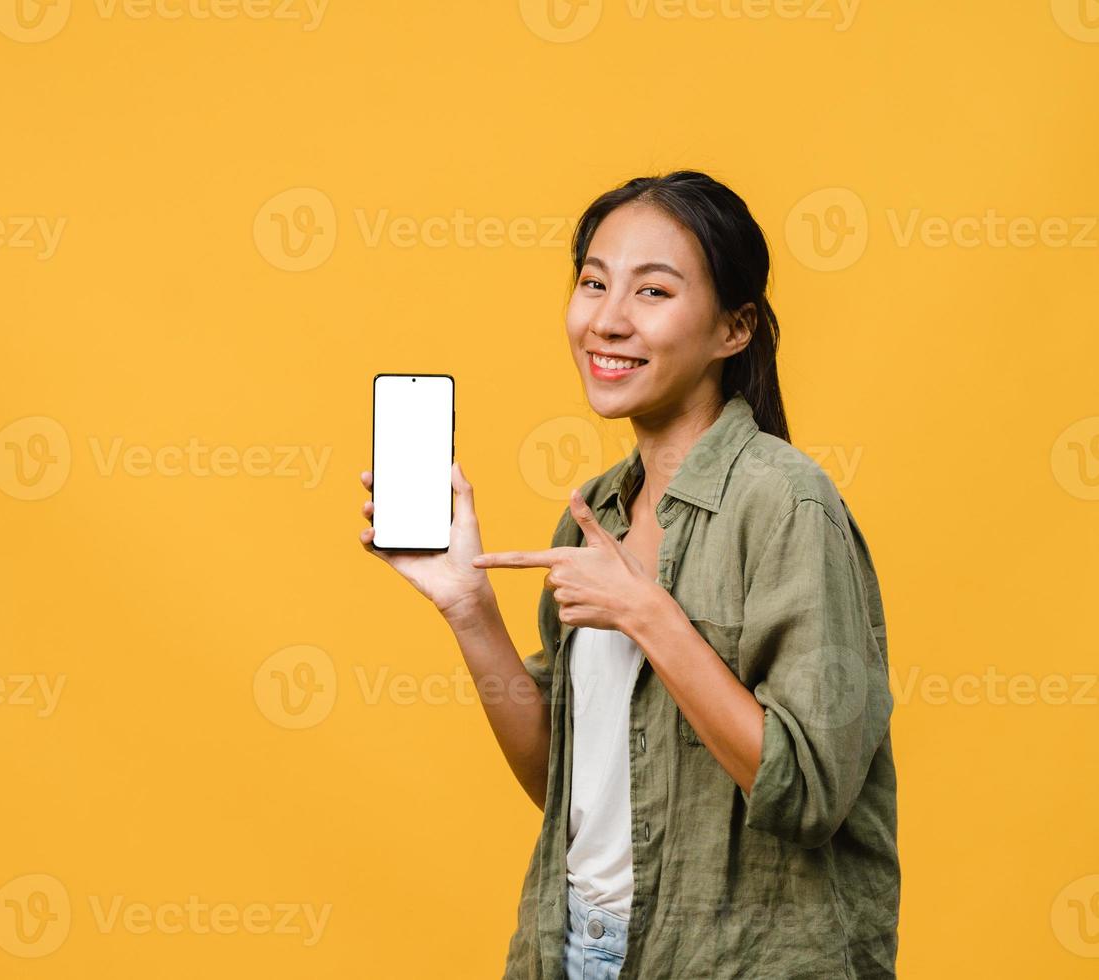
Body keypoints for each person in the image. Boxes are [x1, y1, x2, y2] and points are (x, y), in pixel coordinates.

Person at [357, 170, 898, 979]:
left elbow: (809, 794)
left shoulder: (785, 503)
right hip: (574, 947)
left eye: (653, 291)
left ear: (734, 329)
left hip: (733, 962)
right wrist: (470, 609)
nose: (607, 321)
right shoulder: (599, 515)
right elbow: (561, 783)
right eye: (592, 283)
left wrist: (650, 616)